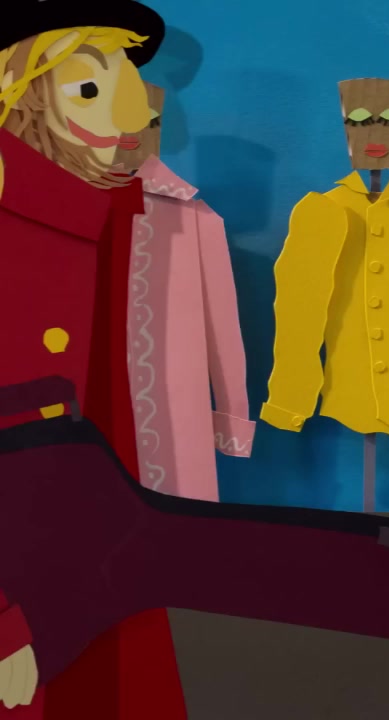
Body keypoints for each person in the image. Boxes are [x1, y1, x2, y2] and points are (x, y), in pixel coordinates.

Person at [0, 1, 188, 717]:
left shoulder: (98, 211)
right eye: (87, 88)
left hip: (88, 564)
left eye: (124, 83)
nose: (126, 116)